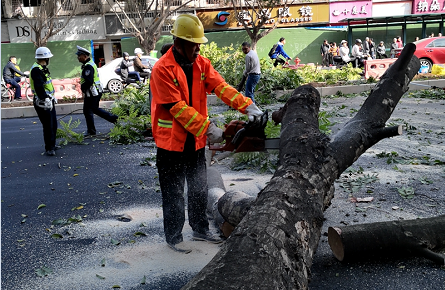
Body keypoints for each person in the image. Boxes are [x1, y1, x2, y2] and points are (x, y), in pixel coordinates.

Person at [150, 14, 263, 253]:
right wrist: (210, 129)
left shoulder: (201, 63)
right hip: (170, 144)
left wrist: (248, 106)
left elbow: (221, 87)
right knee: (174, 193)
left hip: (194, 141)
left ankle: (200, 229)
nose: (198, 48)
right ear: (179, 43)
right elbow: (177, 108)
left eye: (199, 44)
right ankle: (174, 237)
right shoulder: (162, 69)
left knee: (199, 187)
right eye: (194, 43)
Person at [76, 45, 118, 137]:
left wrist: (82, 87)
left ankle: (92, 131)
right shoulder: (90, 64)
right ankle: (113, 119)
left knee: (88, 110)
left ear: (85, 56)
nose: (78, 58)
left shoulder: (88, 66)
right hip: (94, 92)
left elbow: (89, 81)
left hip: (92, 92)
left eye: (79, 55)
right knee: (93, 109)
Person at [29, 47, 59, 156]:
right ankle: (49, 148)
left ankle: (53, 144)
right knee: (48, 125)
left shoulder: (42, 68)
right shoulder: (36, 70)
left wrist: (51, 96)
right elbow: (39, 86)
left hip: (48, 100)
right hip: (42, 102)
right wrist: (45, 98)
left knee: (53, 124)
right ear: (45, 58)